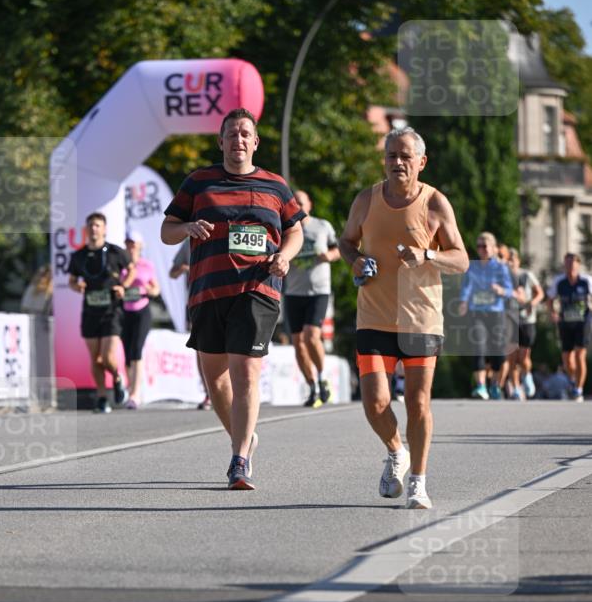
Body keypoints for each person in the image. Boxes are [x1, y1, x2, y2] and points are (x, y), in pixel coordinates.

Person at [161, 107, 304, 489]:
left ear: (255, 142)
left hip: (257, 289)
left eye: (245, 134)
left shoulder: (275, 186)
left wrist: (284, 257)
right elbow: (166, 230)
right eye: (232, 134)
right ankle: (244, 436)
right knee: (216, 380)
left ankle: (239, 460)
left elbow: (295, 231)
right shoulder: (199, 183)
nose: (238, 140)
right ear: (220, 141)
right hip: (208, 290)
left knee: (245, 371)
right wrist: (188, 226)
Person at [339, 126, 468, 510]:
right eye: (391, 155)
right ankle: (397, 451)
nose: (397, 162)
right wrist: (356, 259)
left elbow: (460, 259)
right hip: (374, 315)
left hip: (420, 319)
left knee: (418, 402)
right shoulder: (366, 200)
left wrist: (428, 256)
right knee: (375, 402)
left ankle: (418, 482)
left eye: (405, 156)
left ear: (421, 162)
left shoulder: (435, 204)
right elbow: (346, 243)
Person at [67, 212, 134, 413]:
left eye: (97, 225)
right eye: (91, 226)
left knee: (107, 357)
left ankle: (117, 377)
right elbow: (71, 280)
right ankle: (102, 397)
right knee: (94, 358)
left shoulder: (116, 252)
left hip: (111, 311)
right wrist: (76, 286)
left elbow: (132, 270)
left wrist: (124, 286)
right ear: (87, 230)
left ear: (104, 229)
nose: (94, 229)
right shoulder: (78, 256)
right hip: (89, 311)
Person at [284, 189, 340, 407]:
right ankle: (312, 386)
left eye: (300, 202)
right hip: (293, 291)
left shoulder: (322, 226)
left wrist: (330, 255)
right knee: (298, 343)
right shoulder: (286, 228)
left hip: (318, 290)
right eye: (293, 202)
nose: (296, 205)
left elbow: (338, 249)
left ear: (309, 205)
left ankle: (322, 376)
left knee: (311, 335)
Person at [459, 232, 514, 400]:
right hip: (477, 313)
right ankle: (481, 386)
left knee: (498, 353)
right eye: (479, 246)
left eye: (484, 246)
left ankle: (496, 385)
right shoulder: (472, 266)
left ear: (493, 248)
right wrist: (463, 302)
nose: (481, 249)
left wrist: (501, 290)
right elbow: (467, 287)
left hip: (496, 313)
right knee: (479, 347)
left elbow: (510, 290)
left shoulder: (501, 268)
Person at [169, 239, 212, 410]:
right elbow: (172, 273)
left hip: (227, 297)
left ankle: (228, 390)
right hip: (198, 300)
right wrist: (184, 268)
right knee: (201, 348)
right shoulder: (190, 241)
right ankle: (209, 393)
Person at [121, 231, 160, 409]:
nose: (131, 247)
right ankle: (130, 389)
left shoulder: (147, 265)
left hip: (142, 310)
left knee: (137, 350)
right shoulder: (120, 265)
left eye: (134, 244)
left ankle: (135, 394)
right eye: (128, 243)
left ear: (140, 246)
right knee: (127, 353)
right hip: (124, 311)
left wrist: (149, 291)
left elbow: (156, 288)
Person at [546, 252, 591, 402]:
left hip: (582, 322)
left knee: (580, 356)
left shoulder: (586, 281)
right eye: (567, 263)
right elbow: (550, 299)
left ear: (578, 264)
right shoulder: (559, 281)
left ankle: (578, 389)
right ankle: (572, 379)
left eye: (572, 263)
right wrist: (552, 313)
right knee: (567, 360)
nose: (570, 265)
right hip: (565, 323)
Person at [506, 248, 543, 399]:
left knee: (524, 357)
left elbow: (540, 293)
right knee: (512, 357)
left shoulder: (527, 275)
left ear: (518, 261)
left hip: (527, 320)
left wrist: (531, 304)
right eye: (508, 259)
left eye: (512, 259)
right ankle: (515, 388)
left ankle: (527, 374)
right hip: (509, 319)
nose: (510, 262)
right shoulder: (503, 277)